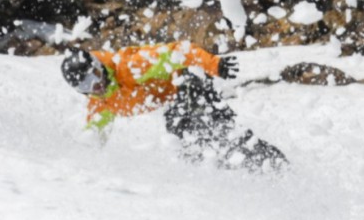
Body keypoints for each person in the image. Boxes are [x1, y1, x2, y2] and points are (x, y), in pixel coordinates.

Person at [61, 41, 287, 172]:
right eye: (85, 85)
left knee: (200, 129)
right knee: (186, 148)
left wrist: (214, 64)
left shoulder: (130, 66)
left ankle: (272, 163)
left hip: (189, 81)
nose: (96, 85)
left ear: (98, 64)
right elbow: (93, 138)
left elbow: (181, 51)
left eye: (95, 74)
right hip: (174, 100)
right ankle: (237, 173)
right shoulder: (101, 103)